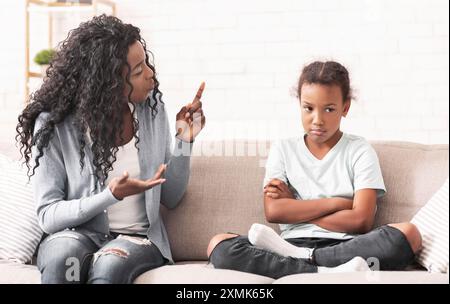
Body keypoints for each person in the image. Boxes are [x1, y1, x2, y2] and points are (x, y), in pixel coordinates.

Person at [16, 14, 205, 284]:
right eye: (138, 71)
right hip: (75, 234)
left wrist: (185, 140)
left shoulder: (151, 110)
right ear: (108, 84)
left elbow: (172, 196)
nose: (151, 75)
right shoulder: (55, 124)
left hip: (136, 239)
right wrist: (110, 196)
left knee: (109, 265)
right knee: (63, 259)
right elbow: (48, 215)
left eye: (146, 64)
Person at [207, 61, 422, 279]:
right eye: (308, 108)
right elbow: (274, 212)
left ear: (345, 107)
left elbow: (361, 221)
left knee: (409, 234)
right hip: (288, 243)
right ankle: (323, 269)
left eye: (329, 109)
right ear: (300, 104)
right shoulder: (283, 148)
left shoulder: (359, 150)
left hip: (346, 245)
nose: (317, 120)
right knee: (219, 244)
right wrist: (340, 203)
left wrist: (296, 206)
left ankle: (301, 259)